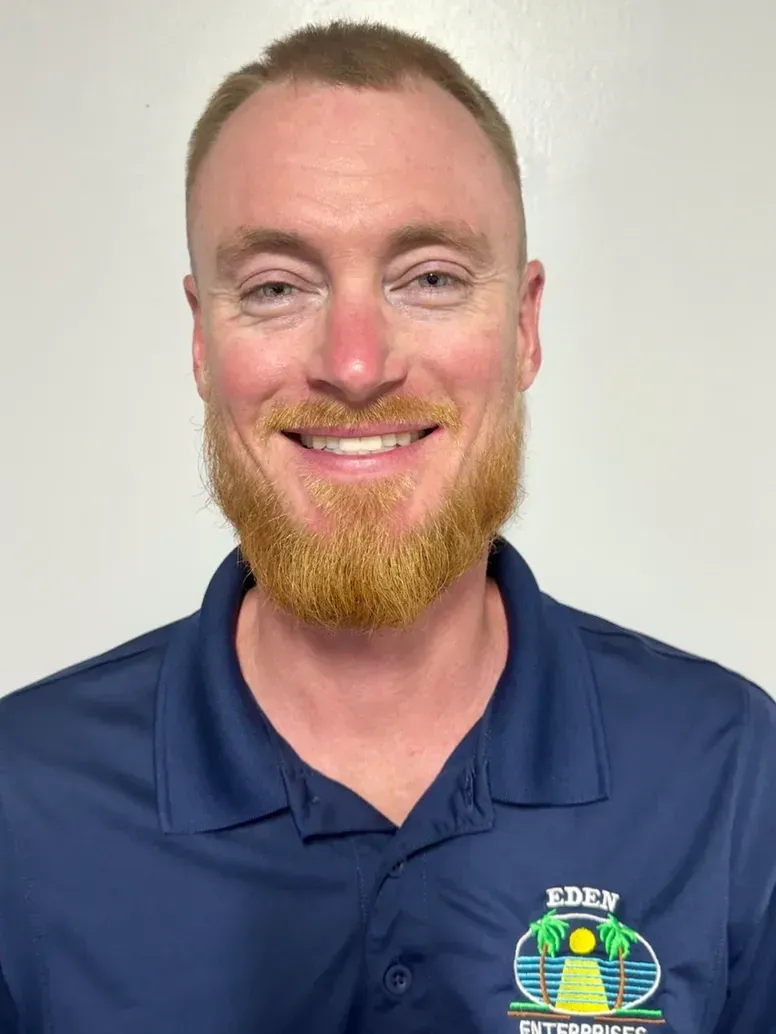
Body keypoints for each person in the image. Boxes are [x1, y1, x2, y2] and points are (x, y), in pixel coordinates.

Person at [0, 18, 773, 1034]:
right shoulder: (19, 803)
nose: (356, 365)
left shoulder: (729, 773)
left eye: (431, 278)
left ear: (524, 326)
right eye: (277, 287)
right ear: (201, 340)